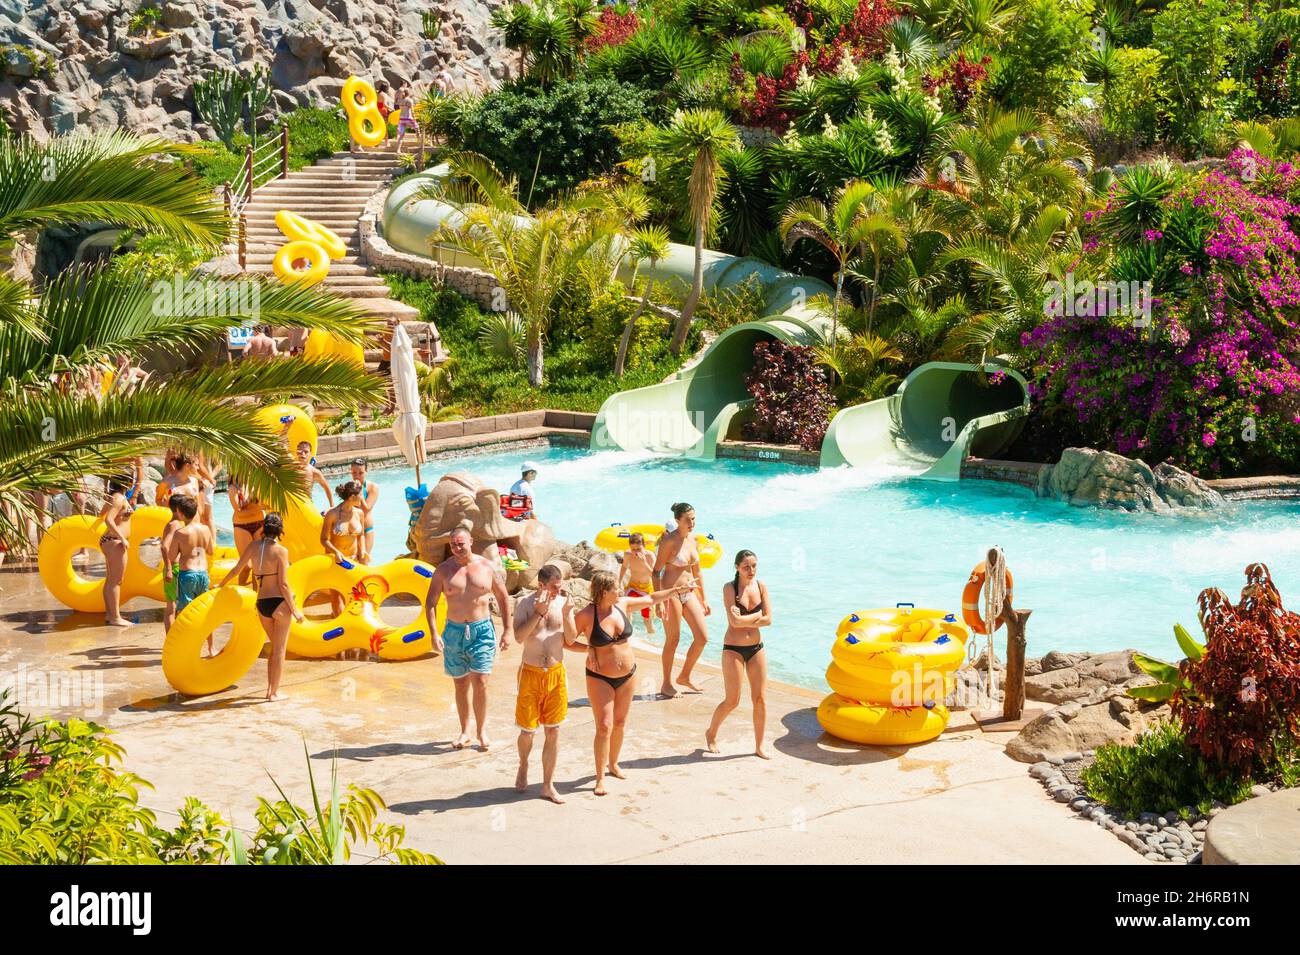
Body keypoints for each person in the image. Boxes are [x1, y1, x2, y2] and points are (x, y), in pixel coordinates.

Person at [576, 571, 690, 796]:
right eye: (615, 588)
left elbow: (651, 599)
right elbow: (565, 639)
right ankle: (599, 778)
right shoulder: (587, 615)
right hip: (600, 677)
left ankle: (614, 764)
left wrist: (676, 591)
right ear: (603, 591)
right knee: (604, 726)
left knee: (619, 722)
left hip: (628, 675)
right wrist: (588, 649)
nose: (620, 590)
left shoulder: (623, 604)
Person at [425, 526, 513, 751]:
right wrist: (434, 633)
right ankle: (465, 731)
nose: (456, 548)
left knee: (481, 681)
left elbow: (503, 598)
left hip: (482, 630)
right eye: (453, 544)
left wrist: (508, 630)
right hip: (453, 632)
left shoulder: (486, 566)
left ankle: (482, 731)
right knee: (461, 683)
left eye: (461, 543)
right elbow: (431, 603)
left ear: (471, 541)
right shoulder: (443, 571)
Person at [511, 564, 580, 804]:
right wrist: (539, 612)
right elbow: (519, 637)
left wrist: (567, 613)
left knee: (553, 730)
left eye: (559, 587)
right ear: (540, 585)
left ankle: (548, 785)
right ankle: (523, 764)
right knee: (527, 731)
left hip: (555, 674)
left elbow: (571, 639)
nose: (556, 592)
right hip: (530, 673)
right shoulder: (524, 604)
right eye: (552, 587)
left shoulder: (563, 604)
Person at [219, 513, 303, 701]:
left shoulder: (253, 547)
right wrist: (296, 611)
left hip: (262, 603)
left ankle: (269, 690)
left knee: (274, 648)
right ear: (280, 530)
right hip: (280, 603)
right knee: (280, 650)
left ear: (264, 527)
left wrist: (220, 584)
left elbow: (236, 569)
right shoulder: (281, 551)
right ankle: (274, 692)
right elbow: (283, 585)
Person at [705, 550, 773, 758]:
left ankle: (759, 746)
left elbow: (769, 619)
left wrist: (745, 619)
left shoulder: (761, 587)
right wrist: (757, 617)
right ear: (737, 567)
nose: (751, 570)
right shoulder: (730, 588)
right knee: (732, 700)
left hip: (756, 648)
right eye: (746, 566)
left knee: (760, 698)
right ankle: (711, 733)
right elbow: (734, 622)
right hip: (733, 649)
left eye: (754, 566)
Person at [652, 502, 710, 697]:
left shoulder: (693, 540)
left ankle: (684, 676)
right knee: (673, 639)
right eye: (688, 519)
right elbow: (656, 572)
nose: (692, 522)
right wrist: (658, 602)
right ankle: (666, 684)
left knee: (702, 638)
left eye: (694, 518)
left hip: (689, 593)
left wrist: (704, 599)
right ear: (678, 520)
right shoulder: (669, 542)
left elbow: (698, 572)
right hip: (670, 593)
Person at [163, 494, 214, 647]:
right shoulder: (205, 529)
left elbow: (172, 557)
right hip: (203, 574)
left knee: (185, 614)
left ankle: (185, 646)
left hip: (188, 575)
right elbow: (211, 551)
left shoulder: (181, 533)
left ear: (180, 513)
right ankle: (211, 647)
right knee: (205, 612)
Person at [98, 460, 142, 628]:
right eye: (131, 479)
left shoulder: (115, 498)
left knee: (110, 580)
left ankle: (111, 614)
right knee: (116, 581)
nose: (133, 482)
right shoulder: (119, 499)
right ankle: (115, 617)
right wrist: (122, 538)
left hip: (110, 541)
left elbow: (103, 513)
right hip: (115, 542)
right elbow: (108, 519)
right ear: (127, 482)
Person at [321, 480, 368, 614]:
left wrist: (362, 550)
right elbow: (323, 539)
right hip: (336, 560)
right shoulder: (332, 514)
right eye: (360, 495)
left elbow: (361, 535)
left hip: (353, 560)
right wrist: (336, 552)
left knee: (354, 595)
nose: (362, 498)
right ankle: (339, 626)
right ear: (352, 497)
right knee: (336, 596)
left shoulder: (359, 513)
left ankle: (352, 626)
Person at [617, 532, 657, 636]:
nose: (635, 552)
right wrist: (619, 582)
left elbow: (655, 576)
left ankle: (651, 642)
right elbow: (624, 567)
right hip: (632, 587)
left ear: (644, 546)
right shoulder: (628, 554)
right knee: (626, 612)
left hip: (646, 589)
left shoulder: (650, 556)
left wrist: (644, 563)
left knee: (647, 620)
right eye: (633, 549)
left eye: (638, 549)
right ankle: (628, 637)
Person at [227, 477, 264, 583]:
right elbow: (238, 510)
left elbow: (264, 503)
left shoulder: (257, 482)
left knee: (258, 565)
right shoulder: (233, 488)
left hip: (259, 523)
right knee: (246, 566)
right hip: (242, 526)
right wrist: (257, 507)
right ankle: (241, 590)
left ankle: (256, 595)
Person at [160, 495, 186, 631]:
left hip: (176, 567)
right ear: (177, 509)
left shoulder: (175, 523)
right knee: (172, 606)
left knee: (174, 605)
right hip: (173, 568)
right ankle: (170, 639)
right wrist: (169, 569)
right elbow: (164, 546)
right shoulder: (174, 524)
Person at [350, 459, 379, 559]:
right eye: (354, 473)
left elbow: (366, 509)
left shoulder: (372, 487)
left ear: (366, 471)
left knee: (364, 560)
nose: (357, 476)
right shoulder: (349, 487)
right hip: (352, 531)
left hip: (366, 530)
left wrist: (360, 494)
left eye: (361, 473)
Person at [295, 441, 333, 509]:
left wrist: (332, 507)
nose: (303, 454)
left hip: (306, 505)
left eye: (306, 452)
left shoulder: (314, 472)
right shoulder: (290, 468)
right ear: (296, 452)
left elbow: (327, 488)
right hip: (292, 504)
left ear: (310, 454)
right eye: (300, 451)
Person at [394, 81, 419, 152]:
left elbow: (398, 104)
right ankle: (420, 143)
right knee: (417, 128)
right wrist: (415, 119)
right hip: (408, 118)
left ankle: (398, 150)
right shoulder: (409, 100)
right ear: (409, 93)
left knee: (401, 135)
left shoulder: (400, 100)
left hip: (402, 119)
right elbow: (412, 111)